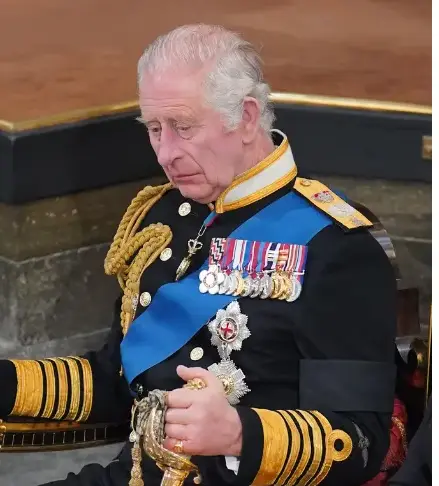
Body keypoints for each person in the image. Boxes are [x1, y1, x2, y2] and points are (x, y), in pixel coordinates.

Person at [2, 24, 400, 486]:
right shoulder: (163, 218)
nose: (165, 153)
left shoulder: (336, 247)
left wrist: (240, 435)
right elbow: (118, 379)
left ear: (247, 117)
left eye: (183, 127)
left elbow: (361, 442)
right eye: (154, 129)